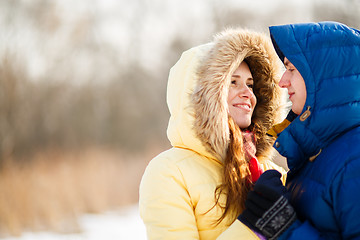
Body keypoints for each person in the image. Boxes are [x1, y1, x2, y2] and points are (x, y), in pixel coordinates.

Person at [139, 27, 287, 239]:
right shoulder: (169, 172)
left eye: (251, 84)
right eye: (232, 82)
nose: (247, 94)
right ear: (205, 95)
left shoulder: (270, 173)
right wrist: (253, 226)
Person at [237, 21, 360, 239]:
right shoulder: (317, 155)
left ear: (323, 79)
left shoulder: (354, 161)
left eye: (291, 69)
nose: (282, 81)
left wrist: (283, 229)